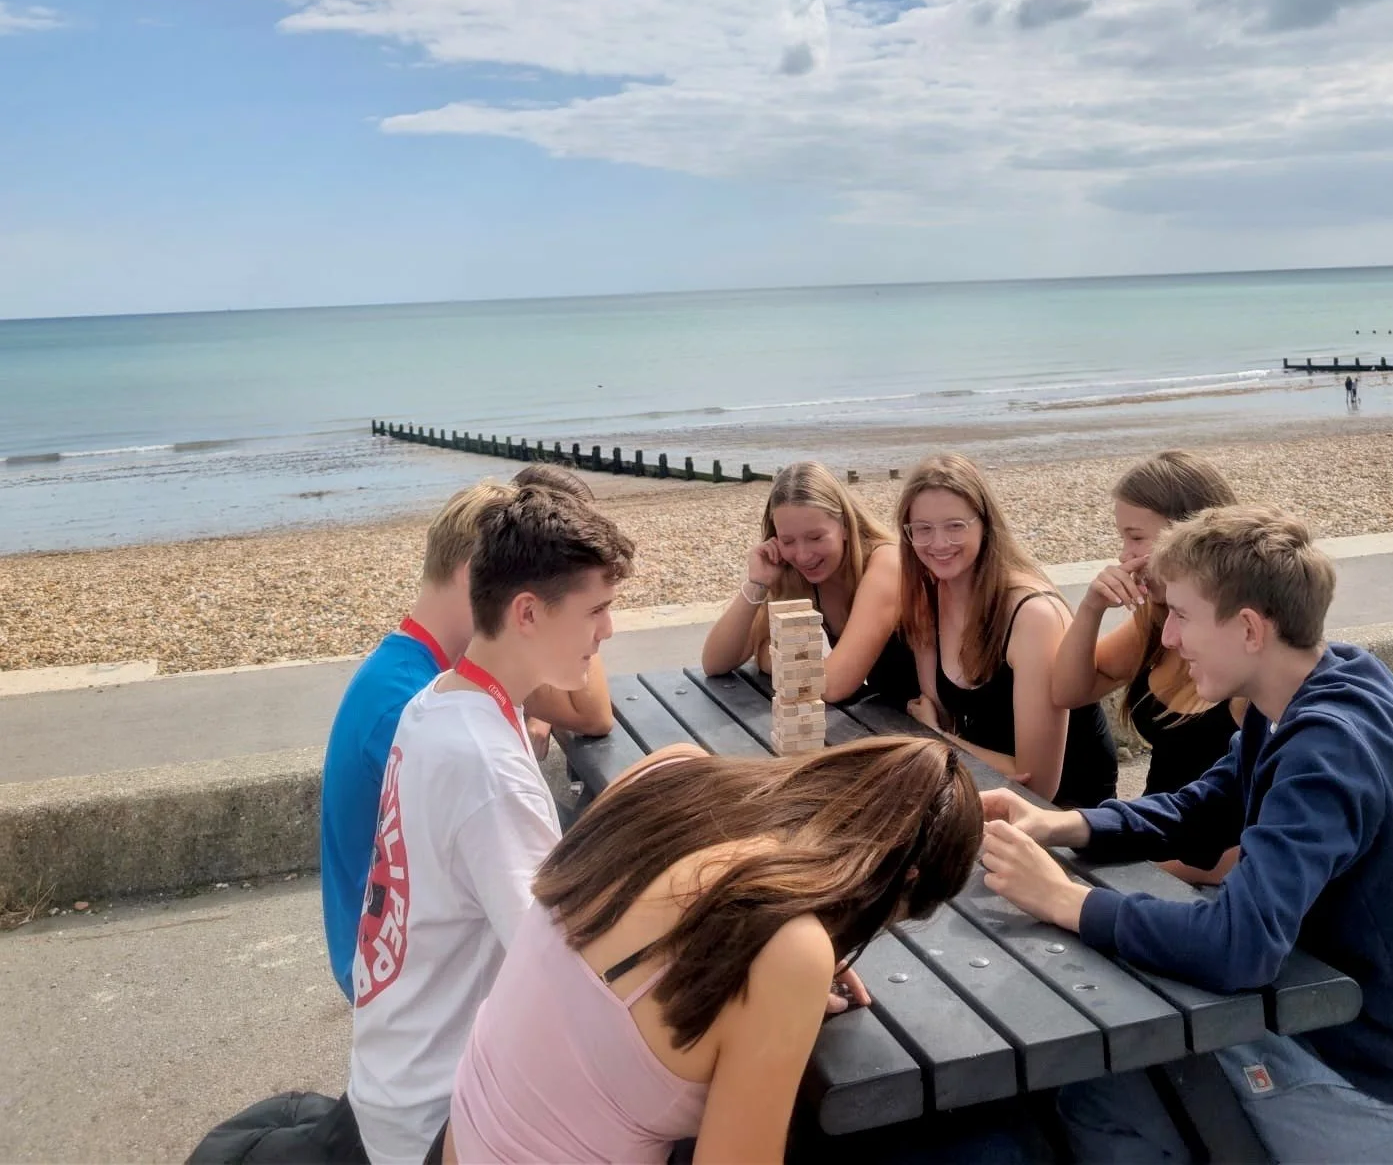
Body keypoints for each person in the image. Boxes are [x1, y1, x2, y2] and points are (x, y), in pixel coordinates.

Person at [979, 505, 1393, 1165]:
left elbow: (1241, 948)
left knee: (1100, 1081)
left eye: (1180, 615)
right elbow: (1204, 807)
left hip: (1392, 1100)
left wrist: (1066, 901)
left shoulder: (1328, 748)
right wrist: (1064, 824)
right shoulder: (1320, 684)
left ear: (1248, 629)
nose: (1171, 639)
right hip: (1382, 1043)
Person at [440, 736, 982, 1164]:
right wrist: (793, 964)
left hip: (459, 1138)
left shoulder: (669, 771)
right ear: (904, 880)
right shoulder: (786, 949)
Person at [346, 485, 636, 1165]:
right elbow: (572, 971)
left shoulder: (437, 704)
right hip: (437, 1119)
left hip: (393, 1081)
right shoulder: (486, 766)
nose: (609, 631)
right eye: (597, 609)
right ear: (527, 612)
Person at [319, 469, 615, 998]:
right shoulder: (412, 705)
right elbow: (548, 963)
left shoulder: (430, 684)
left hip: (395, 954)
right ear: (478, 576)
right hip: (393, 975)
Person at [1051, 452, 1240, 876]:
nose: (1124, 556)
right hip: (1158, 833)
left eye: (1136, 539)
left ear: (1188, 534)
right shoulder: (1158, 622)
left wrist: (1151, 871)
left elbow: (1262, 838)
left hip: (1202, 870)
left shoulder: (1243, 649)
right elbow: (1067, 692)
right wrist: (1091, 607)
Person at [896, 453, 1116, 805]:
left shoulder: (1033, 615)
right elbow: (940, 714)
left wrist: (936, 737)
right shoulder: (928, 600)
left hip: (1068, 820)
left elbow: (1038, 783)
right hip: (981, 790)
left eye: (955, 526)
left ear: (985, 525)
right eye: (922, 529)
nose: (938, 544)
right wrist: (950, 740)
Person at [701, 461, 914, 702]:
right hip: (888, 713)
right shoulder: (797, 574)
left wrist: (772, 658)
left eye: (815, 537)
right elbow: (715, 662)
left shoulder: (886, 563)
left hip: (936, 722)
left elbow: (833, 685)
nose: (802, 555)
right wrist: (758, 584)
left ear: (845, 525)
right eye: (788, 541)